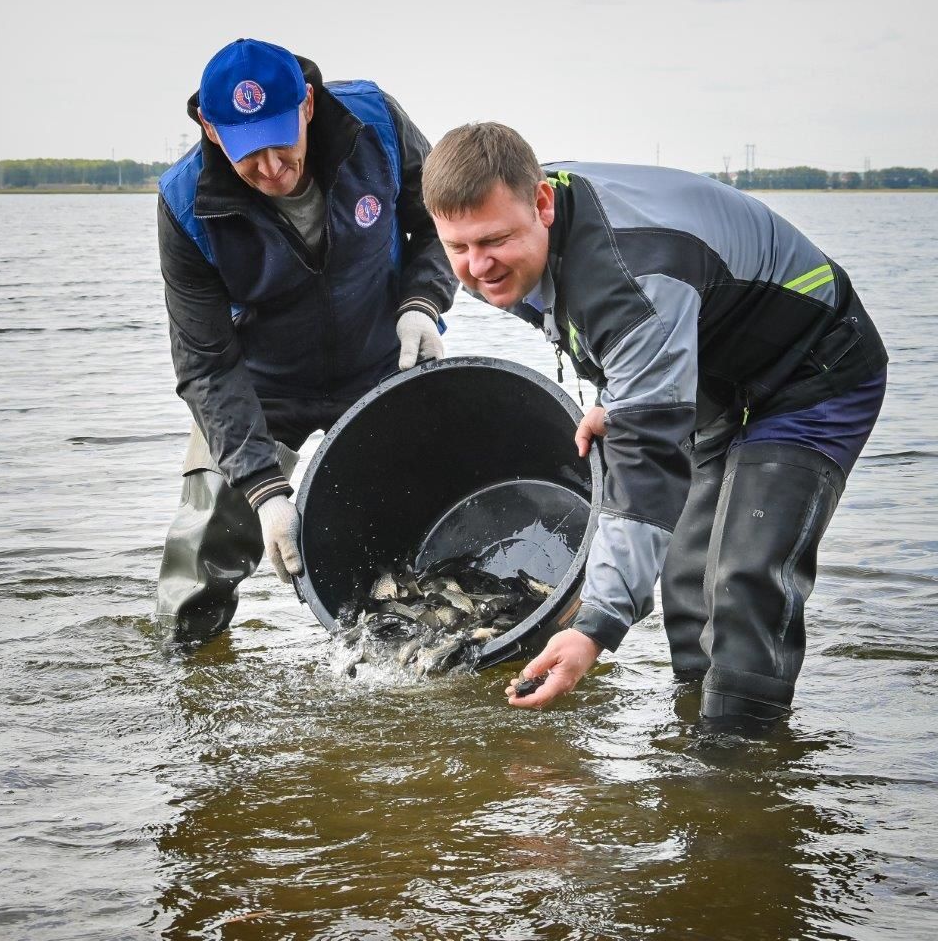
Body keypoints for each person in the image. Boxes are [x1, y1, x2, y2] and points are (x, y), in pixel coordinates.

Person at [421, 123, 887, 730]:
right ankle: (692, 731)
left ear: (542, 203)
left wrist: (594, 627)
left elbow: (644, 463)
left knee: (744, 579)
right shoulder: (506, 241)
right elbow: (619, 339)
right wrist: (622, 399)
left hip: (811, 371)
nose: (478, 266)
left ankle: (737, 775)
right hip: (712, 381)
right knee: (686, 581)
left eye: (495, 241)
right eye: (458, 248)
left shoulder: (630, 275)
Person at [156, 38, 457, 645]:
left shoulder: (375, 126)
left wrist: (423, 304)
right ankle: (184, 674)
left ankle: (425, 665)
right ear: (210, 130)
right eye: (248, 152)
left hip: (382, 358)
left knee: (422, 521)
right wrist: (264, 490)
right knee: (205, 544)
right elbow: (206, 366)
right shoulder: (186, 204)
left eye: (279, 142)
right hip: (262, 386)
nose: (269, 168)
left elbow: (442, 218)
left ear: (308, 107)